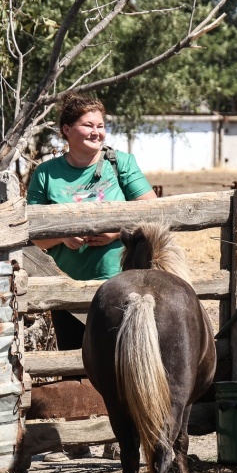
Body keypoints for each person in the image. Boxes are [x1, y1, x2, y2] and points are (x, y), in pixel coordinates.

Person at [27, 93, 158, 350]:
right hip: (66, 289)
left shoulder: (121, 163)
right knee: (73, 365)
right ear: (67, 130)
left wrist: (116, 232)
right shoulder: (45, 174)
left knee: (119, 362)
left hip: (122, 286)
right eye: (88, 125)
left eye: (100, 126)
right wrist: (63, 236)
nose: (96, 132)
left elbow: (152, 210)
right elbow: (33, 235)